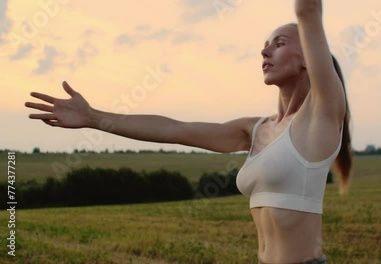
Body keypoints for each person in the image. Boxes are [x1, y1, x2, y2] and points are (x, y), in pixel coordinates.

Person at [25, 1, 352, 263]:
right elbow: (174, 129)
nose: (265, 52)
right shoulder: (254, 129)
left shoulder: (321, 116)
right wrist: (95, 117)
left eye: (279, 44)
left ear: (309, 57)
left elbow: (307, 10)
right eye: (265, 46)